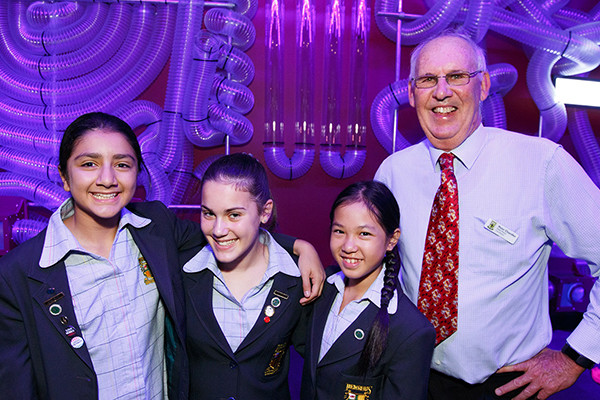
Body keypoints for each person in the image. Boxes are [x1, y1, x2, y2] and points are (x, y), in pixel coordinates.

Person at [0, 112, 324, 399]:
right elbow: (16, 385)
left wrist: (297, 247)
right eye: (89, 163)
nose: (107, 179)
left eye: (123, 165)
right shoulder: (19, 273)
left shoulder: (155, 228)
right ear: (63, 175)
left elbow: (226, 236)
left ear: (137, 174)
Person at [375, 31, 600, 400]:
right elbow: (372, 263)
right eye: (428, 79)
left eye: (457, 76)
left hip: (508, 387)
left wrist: (576, 357)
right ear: (412, 93)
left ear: (483, 86)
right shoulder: (392, 173)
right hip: (412, 379)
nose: (442, 91)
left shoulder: (541, 164)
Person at [181, 153, 311, 399]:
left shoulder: (296, 279)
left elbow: (320, 363)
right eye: (209, 213)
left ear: (264, 212)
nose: (218, 230)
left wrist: (302, 247)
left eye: (234, 215)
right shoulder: (184, 271)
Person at [300, 180, 435, 400]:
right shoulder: (322, 289)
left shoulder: (411, 330)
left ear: (392, 240)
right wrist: (301, 246)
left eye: (364, 234)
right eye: (339, 231)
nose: (348, 246)